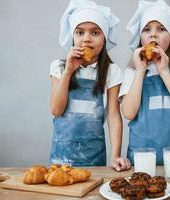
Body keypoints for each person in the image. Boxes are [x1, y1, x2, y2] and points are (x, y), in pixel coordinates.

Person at [49, 0, 130, 171]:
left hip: (94, 157)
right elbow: (56, 110)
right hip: (61, 158)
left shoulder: (111, 71)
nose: (86, 39)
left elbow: (114, 116)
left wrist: (115, 156)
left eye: (95, 33)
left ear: (104, 38)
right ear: (72, 37)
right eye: (80, 33)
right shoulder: (59, 67)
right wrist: (68, 72)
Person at [119, 0, 170, 165]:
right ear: (140, 37)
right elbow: (128, 112)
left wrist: (163, 71)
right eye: (147, 30)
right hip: (141, 160)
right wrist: (140, 71)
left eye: (161, 29)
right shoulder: (132, 71)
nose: (153, 34)